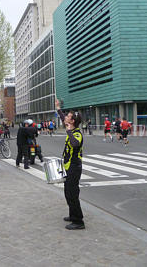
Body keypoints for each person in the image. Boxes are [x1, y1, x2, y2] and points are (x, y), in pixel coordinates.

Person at [56, 98, 85, 230]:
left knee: (72, 193)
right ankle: (72, 214)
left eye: (68, 117)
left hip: (75, 167)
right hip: (68, 166)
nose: (65, 118)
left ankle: (78, 221)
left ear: (72, 121)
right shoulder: (70, 128)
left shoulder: (77, 133)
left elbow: (75, 144)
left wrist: (68, 131)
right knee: (68, 192)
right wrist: (58, 108)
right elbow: (62, 117)